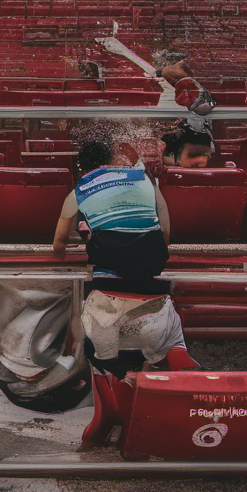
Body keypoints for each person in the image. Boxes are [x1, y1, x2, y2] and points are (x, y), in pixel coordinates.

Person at [51, 140, 196, 376]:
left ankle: (109, 375)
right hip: (154, 290)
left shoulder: (77, 192)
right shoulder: (146, 182)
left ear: (82, 167)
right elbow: (165, 233)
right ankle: (166, 365)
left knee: (86, 333)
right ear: (112, 161)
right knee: (169, 341)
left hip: (106, 294)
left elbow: (59, 244)